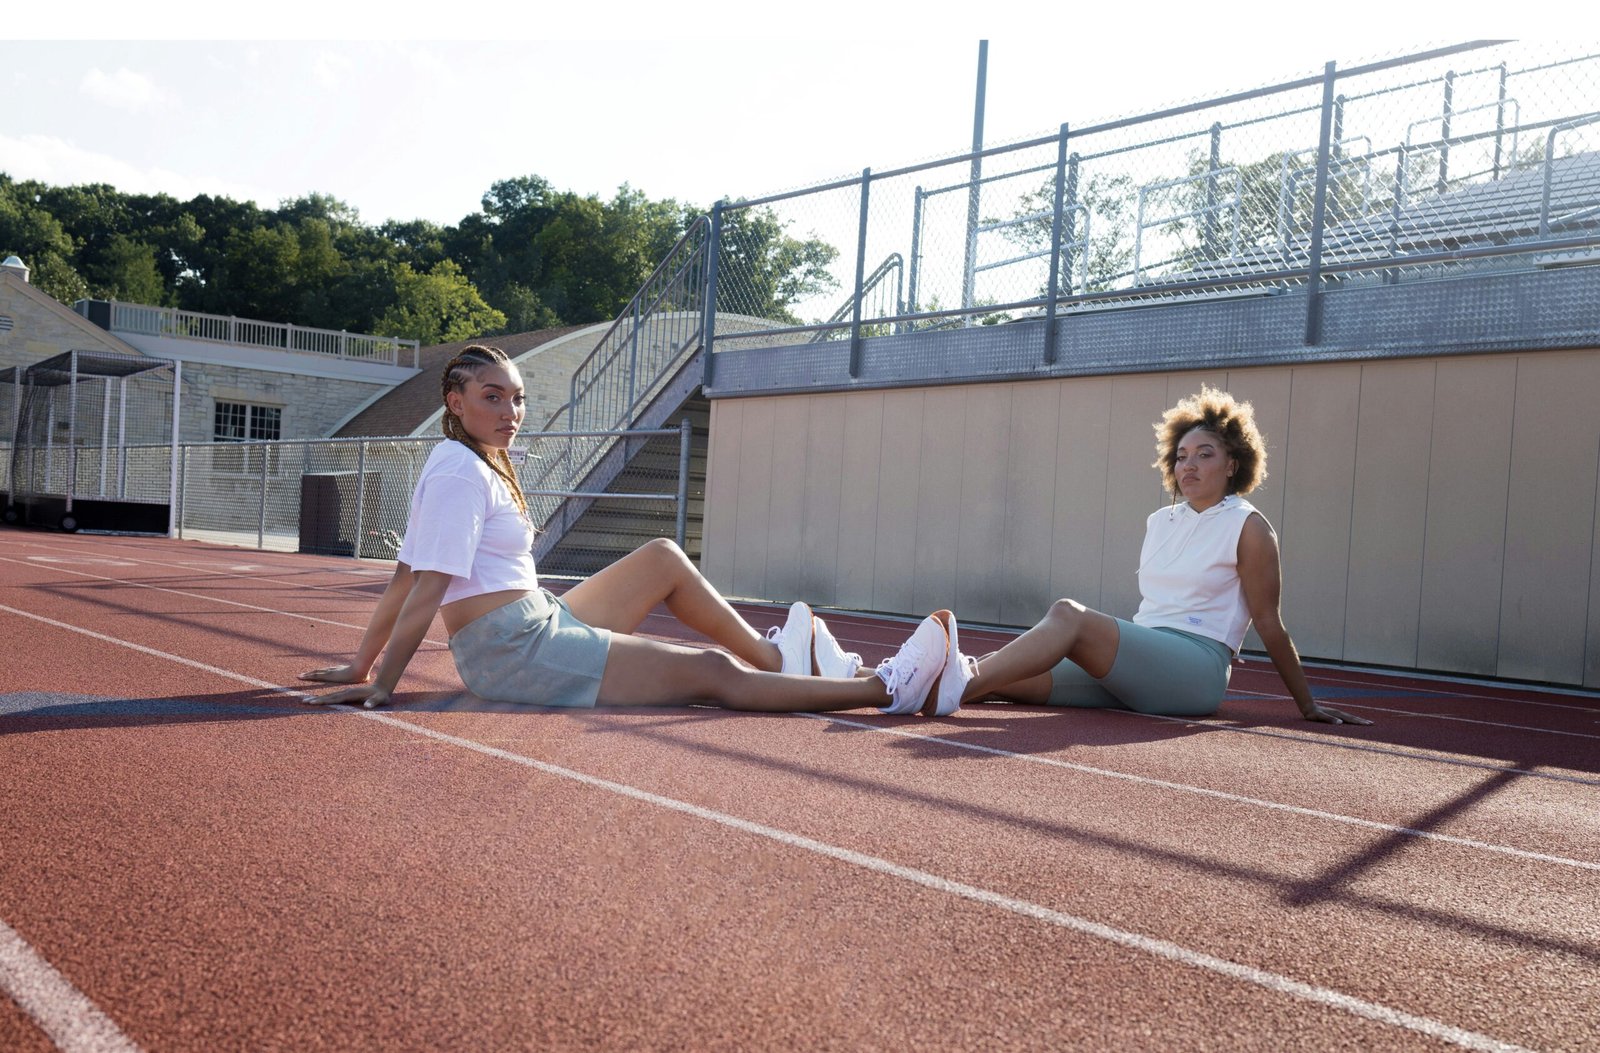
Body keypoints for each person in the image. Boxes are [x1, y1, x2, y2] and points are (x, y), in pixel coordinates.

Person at [298, 345, 957, 715]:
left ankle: (777, 660)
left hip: (536, 619)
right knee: (707, 672)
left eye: (517, 396)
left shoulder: (476, 461)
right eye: (493, 396)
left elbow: (406, 574)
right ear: (455, 402)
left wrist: (361, 660)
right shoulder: (457, 472)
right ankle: (886, 689)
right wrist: (380, 681)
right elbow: (420, 583)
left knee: (662, 557)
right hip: (513, 651)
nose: (511, 409)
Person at [939, 386, 1373, 725]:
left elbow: (1269, 623)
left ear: (1233, 465)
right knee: (1011, 681)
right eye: (1182, 456)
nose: (1190, 466)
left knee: (1068, 615)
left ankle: (946, 681)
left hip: (1193, 672)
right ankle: (882, 685)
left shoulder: (1249, 526)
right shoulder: (1160, 521)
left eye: (1206, 454)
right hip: (1145, 663)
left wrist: (1307, 703)